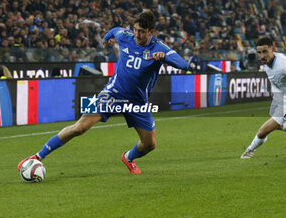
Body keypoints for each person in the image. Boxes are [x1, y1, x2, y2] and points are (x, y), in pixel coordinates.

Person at [17, 11, 192, 174]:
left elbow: (184, 65)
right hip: (112, 94)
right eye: (136, 30)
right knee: (80, 127)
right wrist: (107, 37)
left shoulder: (158, 47)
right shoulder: (126, 37)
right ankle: (37, 156)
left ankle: (128, 157)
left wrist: (164, 57)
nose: (137, 35)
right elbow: (115, 31)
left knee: (149, 144)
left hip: (138, 102)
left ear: (151, 31)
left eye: (142, 32)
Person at [241, 37, 286, 159]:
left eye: (265, 51)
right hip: (280, 99)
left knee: (263, 131)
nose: (262, 56)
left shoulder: (283, 65)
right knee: (278, 125)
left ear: (273, 49)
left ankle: (250, 150)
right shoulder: (267, 64)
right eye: (259, 52)